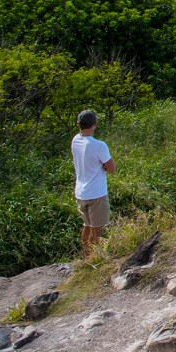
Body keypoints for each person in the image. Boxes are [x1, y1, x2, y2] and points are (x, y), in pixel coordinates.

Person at [71, 109, 116, 259]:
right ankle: (93, 259)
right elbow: (112, 169)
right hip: (96, 193)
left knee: (87, 226)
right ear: (94, 125)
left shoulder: (75, 140)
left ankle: (86, 254)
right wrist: (103, 166)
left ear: (78, 124)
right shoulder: (99, 145)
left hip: (81, 192)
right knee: (98, 230)